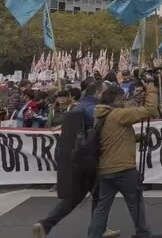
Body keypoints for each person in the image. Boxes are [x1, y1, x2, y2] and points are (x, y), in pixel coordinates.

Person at [33, 80, 122, 238]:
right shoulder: (95, 109)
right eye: (106, 92)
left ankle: (45, 224)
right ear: (98, 93)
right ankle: (99, 229)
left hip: (74, 159)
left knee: (74, 198)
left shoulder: (77, 108)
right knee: (100, 195)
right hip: (91, 158)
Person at [86, 81, 162, 238]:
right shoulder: (118, 114)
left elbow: (113, 137)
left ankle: (93, 235)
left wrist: (135, 138)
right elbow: (150, 110)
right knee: (135, 202)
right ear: (116, 100)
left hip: (105, 168)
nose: (124, 102)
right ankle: (142, 233)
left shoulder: (100, 115)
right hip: (123, 168)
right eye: (122, 100)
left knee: (103, 205)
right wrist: (151, 89)